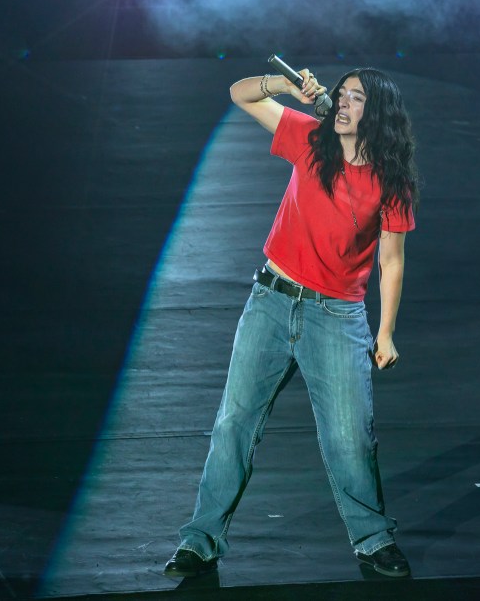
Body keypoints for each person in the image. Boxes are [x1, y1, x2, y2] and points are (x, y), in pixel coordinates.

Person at [164, 65, 420, 578]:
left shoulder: (391, 182)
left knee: (350, 437)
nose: (343, 103)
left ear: (378, 114)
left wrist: (386, 332)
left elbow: (391, 262)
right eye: (342, 94)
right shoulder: (310, 139)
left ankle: (373, 540)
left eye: (357, 98)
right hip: (271, 301)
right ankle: (200, 541)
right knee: (234, 423)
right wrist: (282, 86)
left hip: (337, 317)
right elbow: (239, 95)